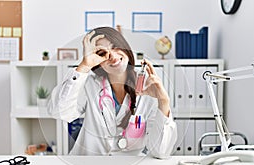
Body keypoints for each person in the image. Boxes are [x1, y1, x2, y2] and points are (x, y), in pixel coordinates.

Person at [48, 27, 177, 158]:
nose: (113, 56)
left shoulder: (148, 86)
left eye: (115, 47)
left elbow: (161, 151)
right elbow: (59, 111)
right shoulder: (90, 84)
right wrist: (85, 65)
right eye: (101, 53)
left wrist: (163, 101)